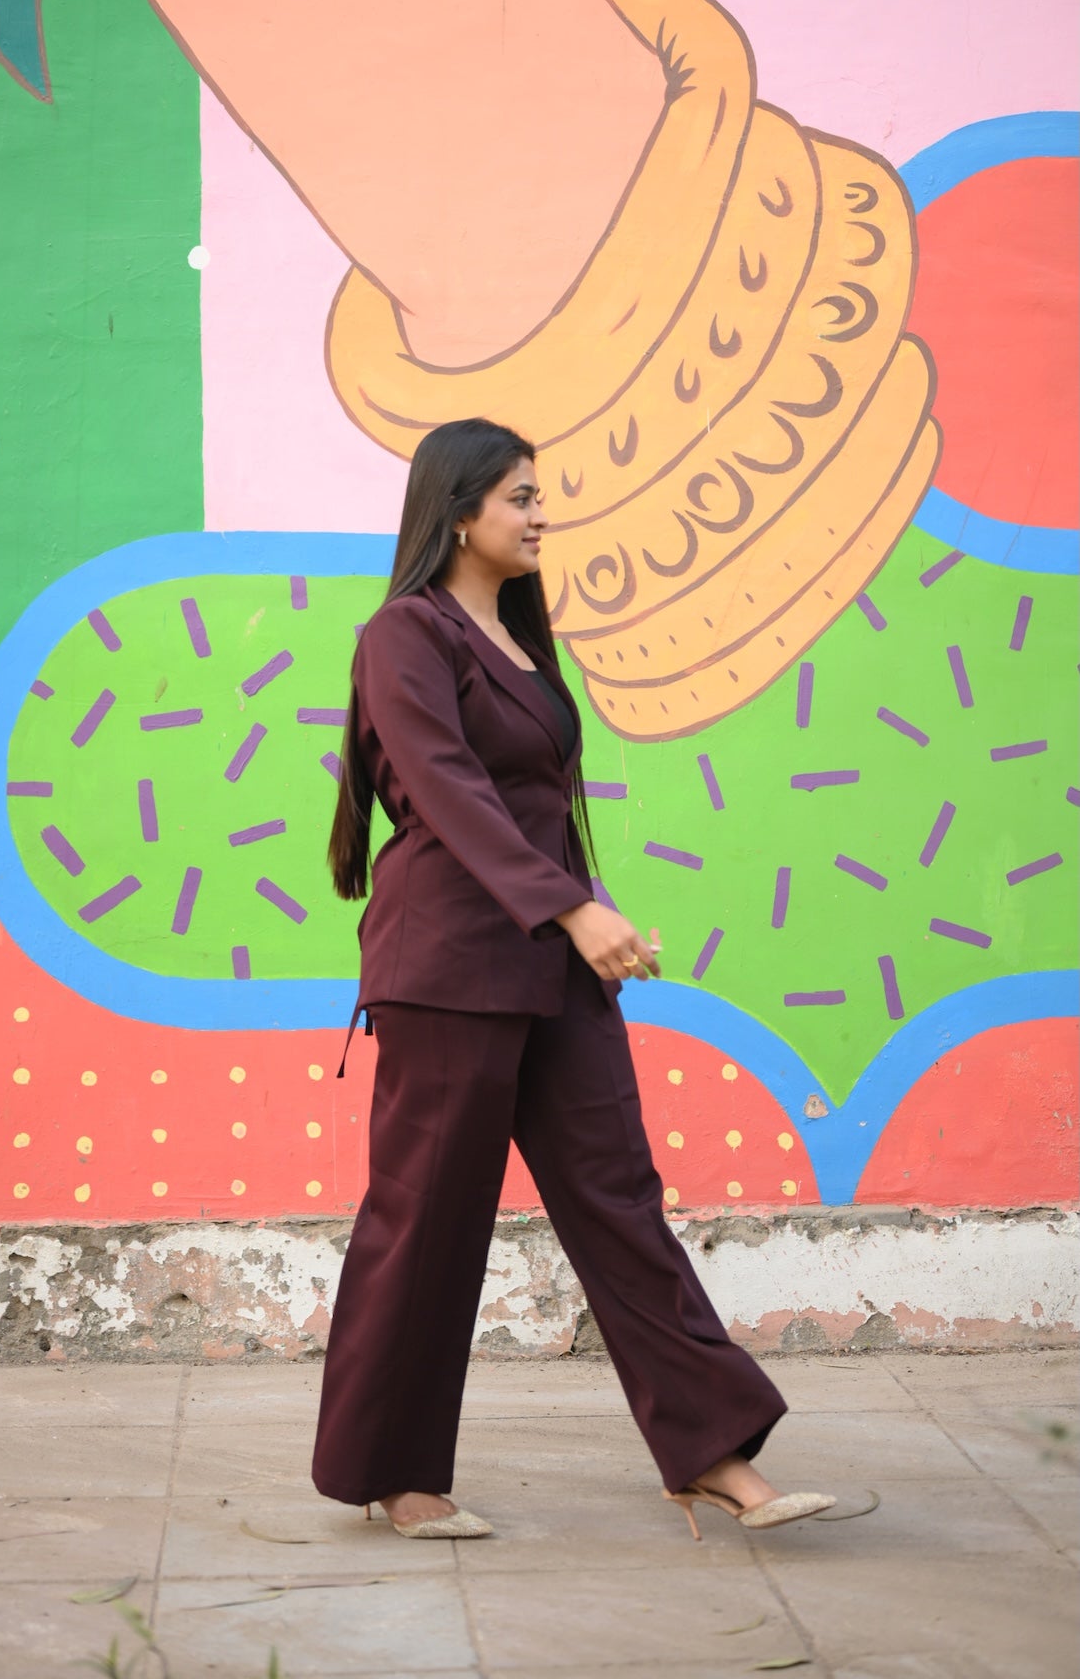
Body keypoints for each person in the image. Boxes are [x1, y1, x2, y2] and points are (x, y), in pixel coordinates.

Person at [311, 417, 836, 1543]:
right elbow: (449, 791)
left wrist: (587, 918)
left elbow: (542, 801)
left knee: (617, 1198)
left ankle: (712, 1452)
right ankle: (396, 1472)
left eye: (540, 495)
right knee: (426, 1218)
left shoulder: (521, 643)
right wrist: (572, 905)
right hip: (447, 968)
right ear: (458, 513)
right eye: (519, 498)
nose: (541, 514)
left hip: (552, 966)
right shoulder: (404, 634)